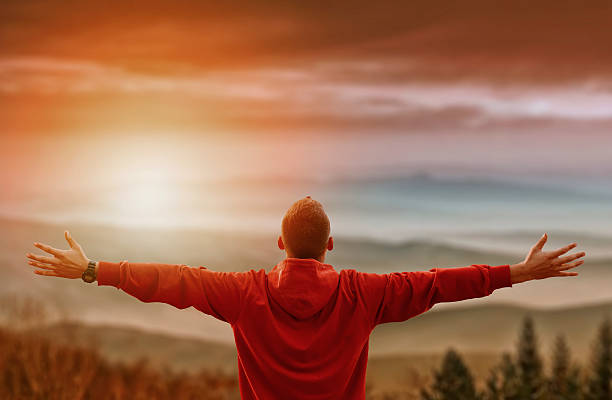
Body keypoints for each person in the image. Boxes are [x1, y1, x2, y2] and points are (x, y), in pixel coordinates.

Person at [26, 196, 585, 400]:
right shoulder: (364, 294)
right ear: (330, 247)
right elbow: (439, 283)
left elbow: (173, 279)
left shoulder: (243, 293)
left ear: (279, 244)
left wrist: (94, 270)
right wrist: (517, 273)